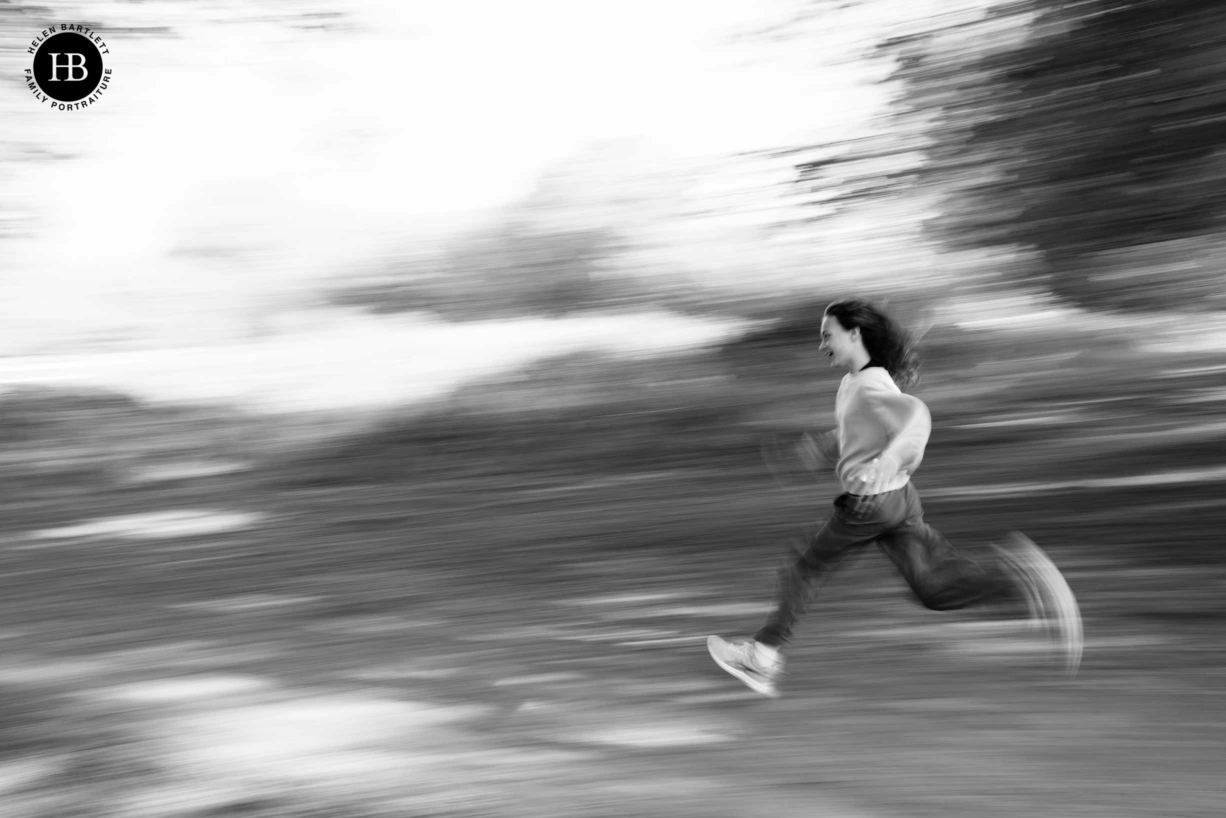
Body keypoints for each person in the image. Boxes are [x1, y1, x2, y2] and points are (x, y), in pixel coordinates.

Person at [708, 298, 1082, 697]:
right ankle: (1017, 581)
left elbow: (915, 418)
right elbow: (861, 427)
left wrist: (889, 458)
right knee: (932, 590)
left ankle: (761, 657)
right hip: (899, 500)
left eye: (827, 335)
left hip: (870, 505)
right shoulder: (861, 380)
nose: (822, 345)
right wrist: (823, 446)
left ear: (854, 334)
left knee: (804, 569)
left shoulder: (869, 384)